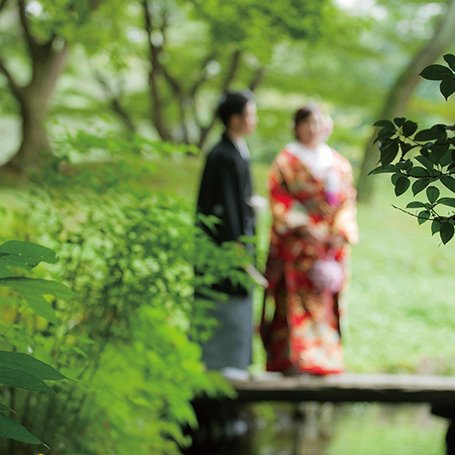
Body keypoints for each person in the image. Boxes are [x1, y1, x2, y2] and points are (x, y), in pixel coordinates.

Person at [261, 103, 358, 376]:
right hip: (298, 244)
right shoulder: (286, 161)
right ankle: (294, 357)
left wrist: (340, 232)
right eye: (308, 123)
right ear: (297, 126)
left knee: (326, 299)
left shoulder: (338, 163)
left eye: (319, 123)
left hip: (328, 246)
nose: (314, 129)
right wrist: (303, 225)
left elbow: (348, 200)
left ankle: (325, 357)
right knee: (292, 299)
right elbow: (279, 198)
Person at [196, 90, 259, 376]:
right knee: (223, 298)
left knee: (235, 300)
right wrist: (236, 246)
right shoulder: (222, 155)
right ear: (234, 119)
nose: (253, 120)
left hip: (234, 241)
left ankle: (230, 362)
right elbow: (226, 207)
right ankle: (221, 364)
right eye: (250, 114)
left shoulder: (234, 150)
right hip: (225, 245)